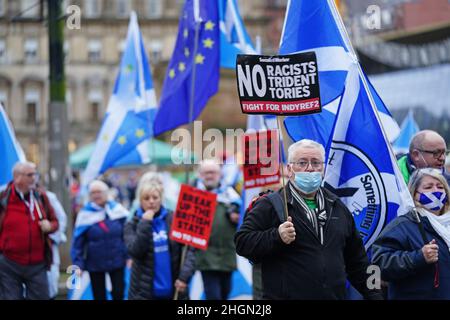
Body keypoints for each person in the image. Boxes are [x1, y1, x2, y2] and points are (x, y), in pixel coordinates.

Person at [235, 139, 382, 300]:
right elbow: (242, 242)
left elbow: (359, 261)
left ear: (323, 169)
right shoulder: (271, 204)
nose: (310, 168)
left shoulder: (337, 206)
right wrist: (276, 236)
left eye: (316, 163)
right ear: (290, 169)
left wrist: (376, 294)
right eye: (302, 163)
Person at [372, 168, 450, 299]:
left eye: (440, 186)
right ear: (414, 194)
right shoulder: (403, 225)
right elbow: (378, 265)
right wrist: (419, 257)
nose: (436, 191)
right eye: (428, 187)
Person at [124, 176, 195, 300]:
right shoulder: (132, 225)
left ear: (161, 199)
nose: (151, 201)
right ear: (140, 201)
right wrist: (145, 223)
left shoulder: (174, 219)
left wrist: (184, 277)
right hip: (143, 292)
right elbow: (136, 251)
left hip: (174, 290)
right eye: (146, 198)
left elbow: (189, 250)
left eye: (155, 197)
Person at [0, 162, 59, 299]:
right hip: (9, 264)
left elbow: (55, 222)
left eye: (36, 174)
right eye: (30, 175)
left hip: (37, 264)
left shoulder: (41, 197)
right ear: (17, 177)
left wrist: (50, 226)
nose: (34, 178)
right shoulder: (4, 198)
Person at [71, 180, 129, 300]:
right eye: (93, 192)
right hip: (95, 263)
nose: (96, 195)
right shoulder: (85, 215)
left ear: (106, 193)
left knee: (118, 293)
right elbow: (78, 243)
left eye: (99, 192)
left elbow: (127, 236)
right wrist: (78, 264)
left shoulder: (118, 211)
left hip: (117, 260)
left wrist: (129, 256)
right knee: (99, 295)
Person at [193, 159, 242, 300]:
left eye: (212, 172)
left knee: (226, 292)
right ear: (200, 175)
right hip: (206, 256)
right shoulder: (193, 195)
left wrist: (236, 217)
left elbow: (244, 220)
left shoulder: (231, 195)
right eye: (206, 172)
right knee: (213, 296)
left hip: (227, 254)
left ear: (220, 174)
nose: (209, 176)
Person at [44, 188, 67, 299]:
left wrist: (51, 238)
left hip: (47, 249)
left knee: (50, 284)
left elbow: (60, 219)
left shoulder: (48, 197)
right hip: (19, 256)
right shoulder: (7, 195)